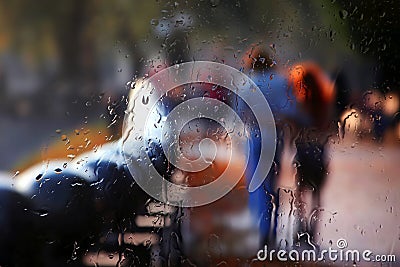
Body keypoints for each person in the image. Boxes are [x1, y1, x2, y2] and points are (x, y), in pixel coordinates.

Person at [240, 45, 336, 248]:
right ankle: (272, 232)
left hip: (254, 136)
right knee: (272, 184)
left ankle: (259, 229)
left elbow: (240, 111)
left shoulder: (247, 82)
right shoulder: (280, 81)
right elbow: (292, 111)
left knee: (255, 183)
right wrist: (307, 122)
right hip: (275, 136)